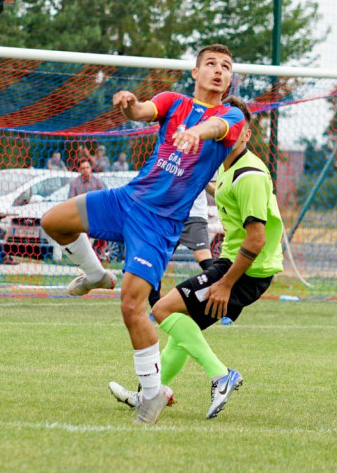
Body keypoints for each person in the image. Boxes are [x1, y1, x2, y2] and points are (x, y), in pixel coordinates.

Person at [41, 43, 245, 425]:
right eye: (212, 64)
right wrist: (128, 104)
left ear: (230, 78)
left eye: (227, 66)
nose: (219, 70)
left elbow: (216, 128)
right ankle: (97, 273)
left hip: (160, 223)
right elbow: (142, 111)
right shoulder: (173, 100)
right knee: (53, 221)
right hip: (127, 200)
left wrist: (196, 134)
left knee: (132, 305)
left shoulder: (231, 116)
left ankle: (151, 395)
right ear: (195, 72)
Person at [109, 98, 281, 420]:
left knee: (161, 309)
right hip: (235, 264)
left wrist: (226, 284)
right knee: (181, 327)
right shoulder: (228, 169)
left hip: (245, 270)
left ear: (245, 134)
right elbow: (223, 191)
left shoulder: (250, 175)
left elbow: (256, 239)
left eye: (235, 127)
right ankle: (150, 395)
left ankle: (221, 375)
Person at [148, 188, 214, 307]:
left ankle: (224, 305)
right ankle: (155, 306)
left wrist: (203, 179)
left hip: (194, 217)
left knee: (204, 259)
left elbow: (216, 190)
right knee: (153, 261)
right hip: (168, 216)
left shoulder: (206, 169)